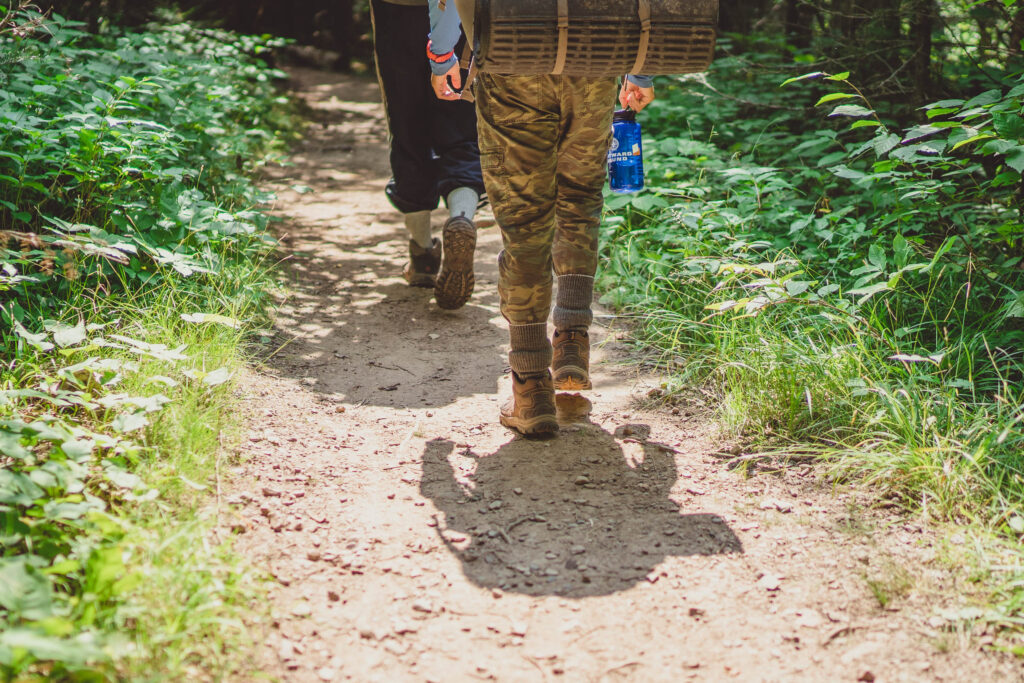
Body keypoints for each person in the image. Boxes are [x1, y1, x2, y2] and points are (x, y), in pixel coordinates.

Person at [427, 1, 655, 435]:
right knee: (580, 197)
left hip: (512, 59)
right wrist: (639, 69)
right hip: (594, 57)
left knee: (525, 220)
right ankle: (571, 337)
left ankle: (531, 387)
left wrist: (442, 54)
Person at [370, 0, 485, 310]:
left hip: (396, 8)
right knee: (461, 128)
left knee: (406, 125)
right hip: (460, 12)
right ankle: (461, 220)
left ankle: (422, 254)